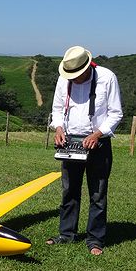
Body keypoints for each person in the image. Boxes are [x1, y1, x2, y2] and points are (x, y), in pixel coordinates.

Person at [46, 46, 123, 255]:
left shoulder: (107, 78)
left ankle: (95, 239)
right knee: (69, 190)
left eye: (78, 75)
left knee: (97, 193)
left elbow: (116, 113)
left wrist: (97, 134)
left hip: (98, 143)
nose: (75, 79)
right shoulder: (64, 79)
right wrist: (59, 128)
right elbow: (57, 109)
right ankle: (66, 234)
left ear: (88, 66)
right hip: (70, 142)